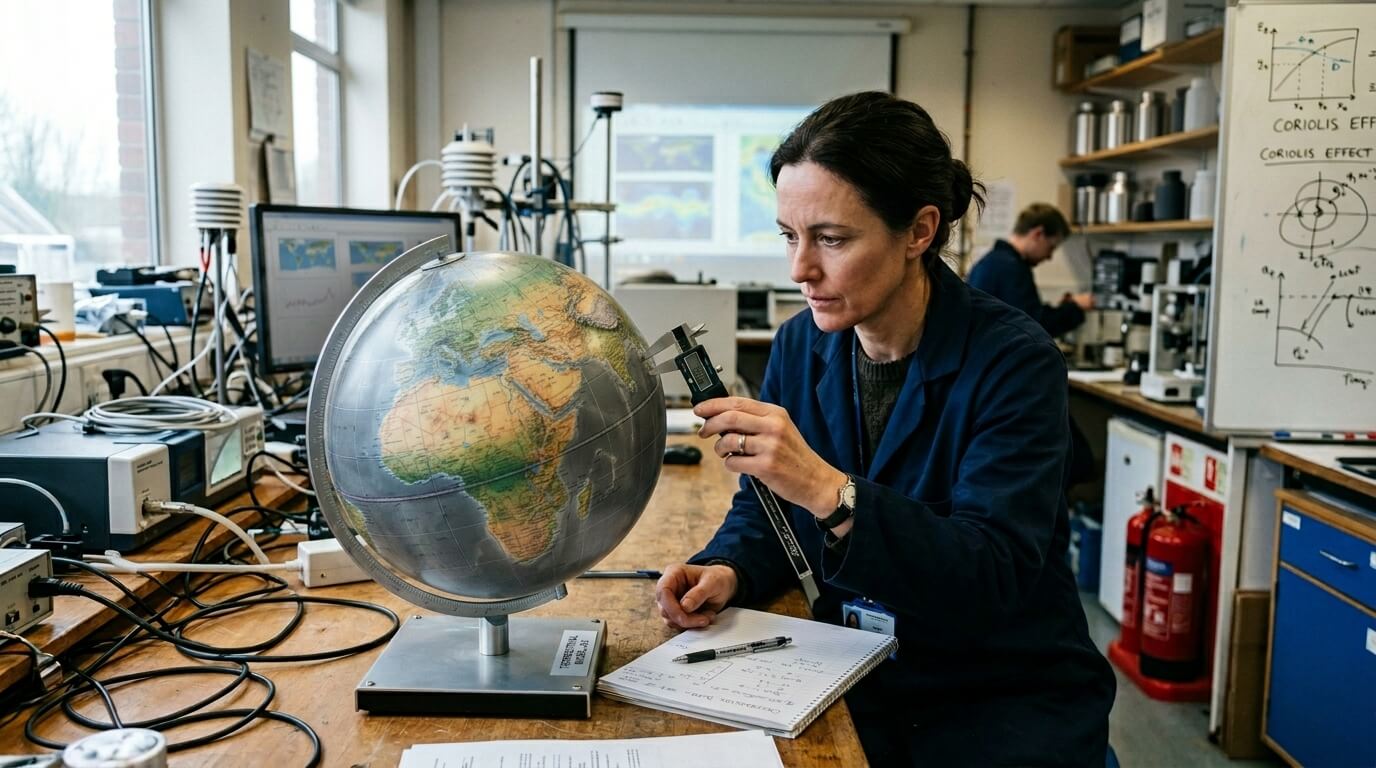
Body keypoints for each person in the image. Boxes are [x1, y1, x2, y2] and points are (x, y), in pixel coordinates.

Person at [653, 92, 1115, 767]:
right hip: (863, 673)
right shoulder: (800, 347)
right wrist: (728, 568)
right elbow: (767, 509)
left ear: (919, 232)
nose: (800, 269)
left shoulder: (1015, 360)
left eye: (832, 239)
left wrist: (828, 489)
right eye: (789, 235)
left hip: (998, 698)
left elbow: (989, 574)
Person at [967, 203, 1092, 337]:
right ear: (1038, 234)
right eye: (1051, 247)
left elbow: (1026, 313)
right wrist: (1075, 307)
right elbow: (1034, 327)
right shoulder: (1011, 268)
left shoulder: (992, 261)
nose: (1049, 257)